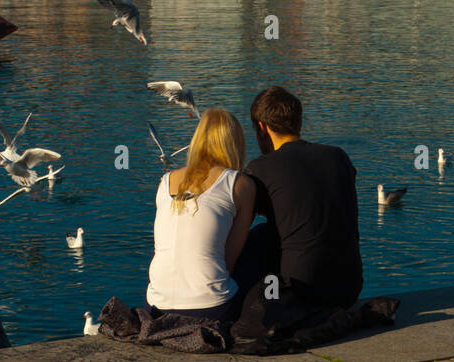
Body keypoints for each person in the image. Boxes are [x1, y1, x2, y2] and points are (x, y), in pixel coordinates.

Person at [238, 86, 363, 309]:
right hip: (348, 289)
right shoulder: (339, 157)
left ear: (261, 128)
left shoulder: (260, 169)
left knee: (253, 239)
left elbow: (239, 226)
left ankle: (240, 307)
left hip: (299, 294)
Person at [146, 108, 256, 322]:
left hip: (156, 307)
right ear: (235, 143)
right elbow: (229, 262)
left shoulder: (165, 181)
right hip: (210, 308)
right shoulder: (240, 184)